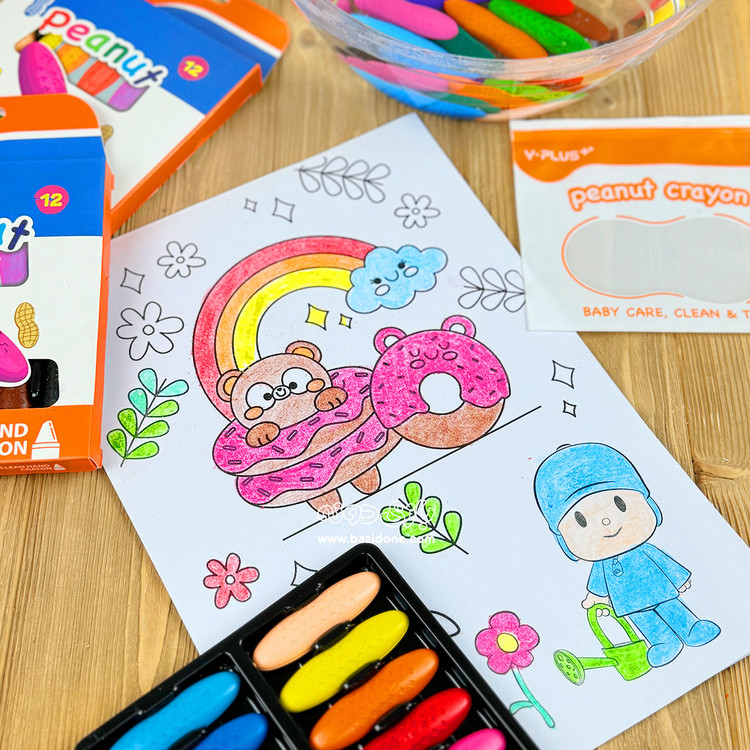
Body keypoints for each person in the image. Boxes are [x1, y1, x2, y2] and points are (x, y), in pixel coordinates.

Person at [534, 442, 720, 667]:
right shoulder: (602, 565)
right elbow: (598, 584)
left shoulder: (645, 551)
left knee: (671, 607)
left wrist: (680, 579)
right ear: (564, 541)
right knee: (645, 621)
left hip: (659, 588)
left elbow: (664, 562)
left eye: (619, 504)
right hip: (630, 602)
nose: (606, 521)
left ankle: (690, 628)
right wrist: (596, 597)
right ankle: (663, 642)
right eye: (581, 521)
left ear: (650, 505)